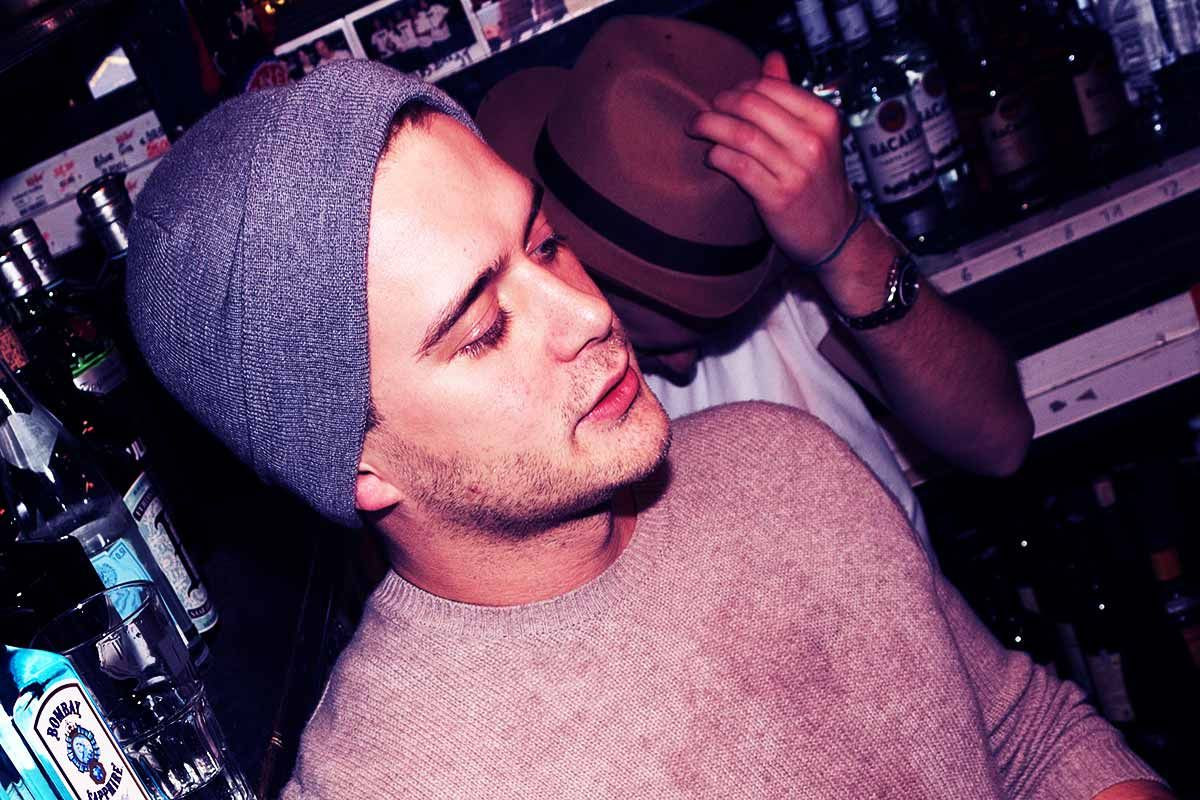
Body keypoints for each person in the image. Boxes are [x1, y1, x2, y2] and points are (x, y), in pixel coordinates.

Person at [126, 58, 1169, 799]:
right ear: (356, 465)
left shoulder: (777, 460)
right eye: (483, 329)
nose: (585, 316)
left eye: (544, 244)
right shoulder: (394, 780)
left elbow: (1023, 737)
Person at [477, 17, 1034, 547]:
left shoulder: (788, 266)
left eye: (706, 329)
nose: (682, 369)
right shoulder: (511, 359)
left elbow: (999, 442)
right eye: (649, 345)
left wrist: (846, 242)